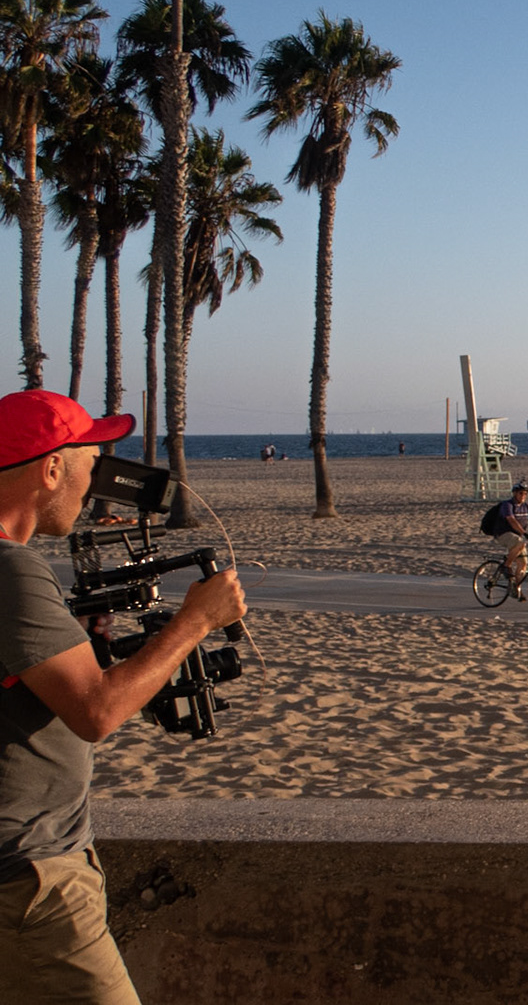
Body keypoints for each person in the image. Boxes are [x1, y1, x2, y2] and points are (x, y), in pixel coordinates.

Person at [0, 390, 248, 1001]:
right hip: (31, 875)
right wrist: (197, 620)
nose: (95, 480)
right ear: (51, 467)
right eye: (91, 458)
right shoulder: (11, 569)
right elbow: (96, 711)